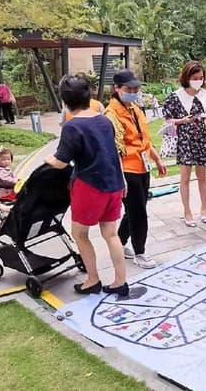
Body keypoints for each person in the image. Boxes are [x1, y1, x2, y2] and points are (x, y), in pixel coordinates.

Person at [45, 75, 129, 296]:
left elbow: (61, 162)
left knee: (80, 234)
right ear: (88, 96)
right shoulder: (105, 120)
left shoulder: (72, 126)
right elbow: (113, 152)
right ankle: (120, 282)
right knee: (111, 234)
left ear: (65, 101)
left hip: (90, 187)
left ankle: (92, 280)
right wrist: (122, 180)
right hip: (114, 184)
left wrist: (47, 159)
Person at [105, 69, 167, 269]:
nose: (133, 92)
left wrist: (157, 159)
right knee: (138, 213)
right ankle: (140, 252)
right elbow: (114, 148)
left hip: (142, 165)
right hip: (127, 169)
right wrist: (120, 177)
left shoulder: (134, 108)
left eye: (136, 89)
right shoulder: (111, 115)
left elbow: (144, 140)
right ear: (117, 88)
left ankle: (120, 242)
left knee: (136, 208)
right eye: (129, 89)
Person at [162, 61, 206, 227]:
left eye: (201, 78)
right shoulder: (175, 97)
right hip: (184, 139)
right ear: (187, 77)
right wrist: (181, 121)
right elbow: (167, 120)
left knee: (202, 176)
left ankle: (204, 208)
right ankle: (187, 211)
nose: (198, 81)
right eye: (195, 78)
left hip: (201, 138)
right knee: (185, 177)